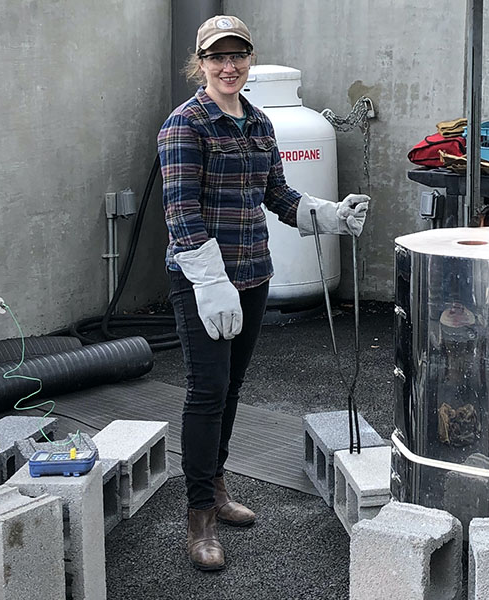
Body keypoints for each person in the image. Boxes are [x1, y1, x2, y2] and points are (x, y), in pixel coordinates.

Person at [158, 14, 370, 571]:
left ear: (249, 59)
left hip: (253, 275)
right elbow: (181, 214)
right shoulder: (185, 126)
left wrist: (329, 215)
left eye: (238, 55)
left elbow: (276, 193)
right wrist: (211, 283)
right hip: (203, 282)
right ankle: (199, 516)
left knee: (230, 389)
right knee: (206, 393)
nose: (228, 66)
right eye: (217, 57)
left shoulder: (258, 123)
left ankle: (216, 485)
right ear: (200, 63)